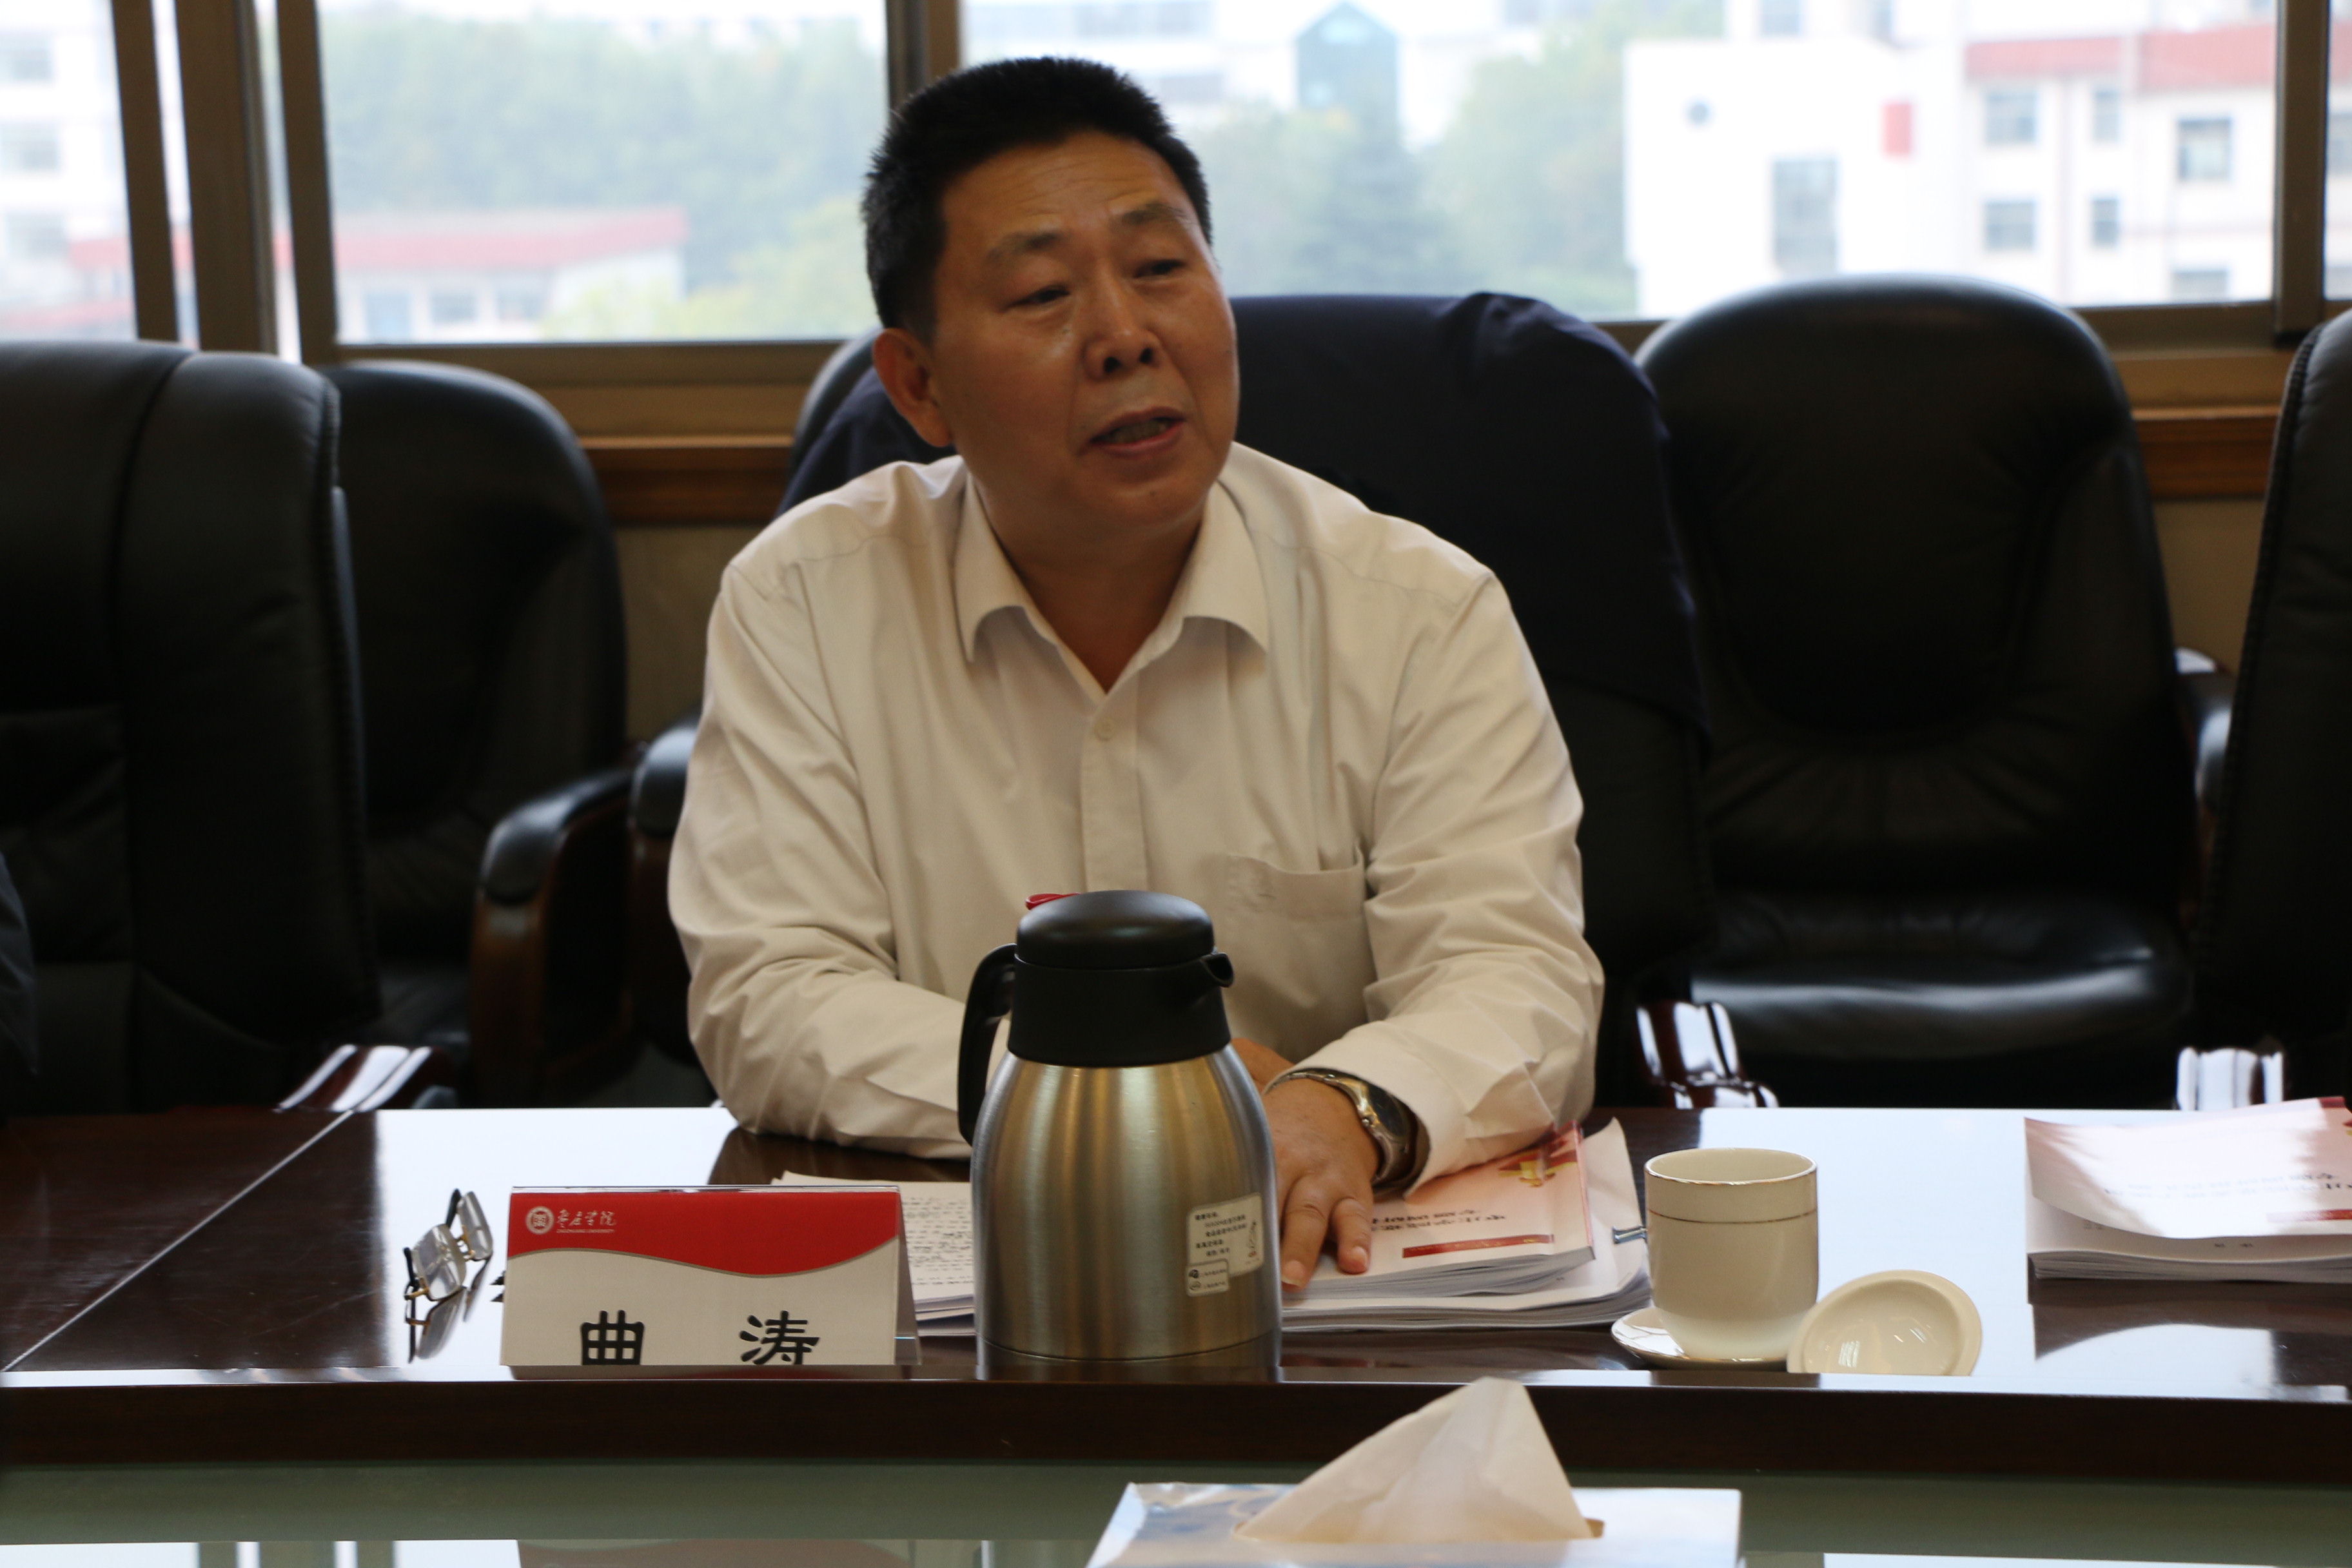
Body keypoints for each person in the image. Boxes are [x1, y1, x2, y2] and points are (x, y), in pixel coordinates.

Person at [671, 57, 1600, 1288]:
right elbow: (772, 994)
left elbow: (1515, 972)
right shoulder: (807, 600)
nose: (1125, 337)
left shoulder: (1417, 609)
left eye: (1162, 269)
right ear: (919, 385)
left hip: (1326, 1290)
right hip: (976, 1298)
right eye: (1043, 295)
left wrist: (1347, 1106)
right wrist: (1130, 1096)